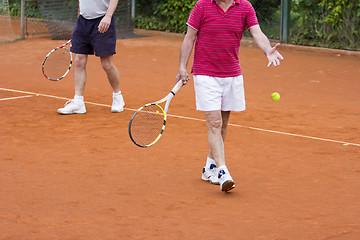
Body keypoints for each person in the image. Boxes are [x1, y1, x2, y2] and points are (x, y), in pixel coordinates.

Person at [176, 0, 284, 192]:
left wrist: (268, 50)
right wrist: (182, 67)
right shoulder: (202, 6)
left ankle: (209, 166)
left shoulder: (245, 7)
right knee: (215, 122)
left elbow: (257, 32)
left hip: (231, 74)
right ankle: (223, 171)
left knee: (223, 123)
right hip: (205, 73)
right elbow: (189, 38)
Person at [57, 0, 125, 114]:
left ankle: (118, 97)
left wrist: (108, 16)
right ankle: (78, 102)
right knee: (79, 61)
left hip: (103, 20)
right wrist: (79, 16)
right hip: (83, 22)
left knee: (107, 64)